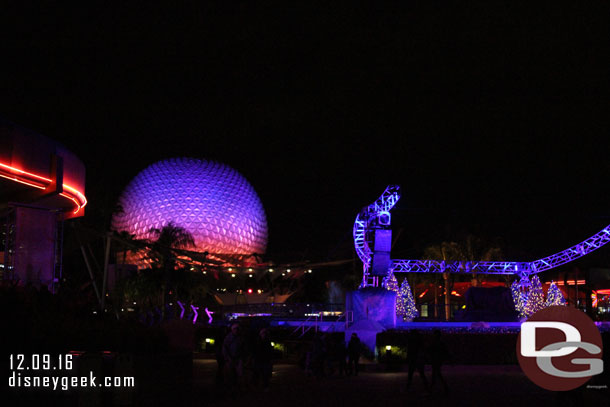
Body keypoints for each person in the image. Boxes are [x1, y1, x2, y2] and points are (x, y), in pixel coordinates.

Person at [222, 323, 245, 392]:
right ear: (232, 330)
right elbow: (225, 348)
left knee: (239, 373)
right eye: (235, 329)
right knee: (230, 373)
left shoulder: (240, 338)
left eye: (237, 329)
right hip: (230, 358)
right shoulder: (228, 337)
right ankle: (231, 387)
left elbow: (243, 348)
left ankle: (236, 386)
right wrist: (227, 357)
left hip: (238, 358)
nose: (236, 331)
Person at [429, 329, 449, 394]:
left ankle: (431, 389)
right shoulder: (440, 343)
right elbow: (445, 352)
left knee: (435, 374)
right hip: (438, 360)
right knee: (437, 374)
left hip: (436, 360)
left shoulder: (435, 343)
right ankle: (445, 388)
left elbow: (431, 351)